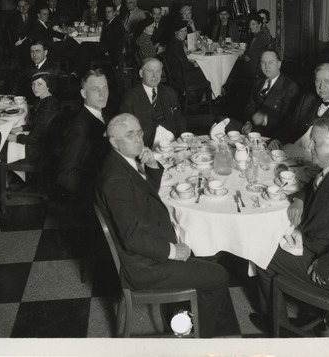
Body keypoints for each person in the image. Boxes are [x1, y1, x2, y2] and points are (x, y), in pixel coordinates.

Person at [96, 113, 233, 338]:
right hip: (146, 267)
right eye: (130, 135)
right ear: (114, 141)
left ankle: (183, 311)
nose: (139, 139)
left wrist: (151, 165)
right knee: (219, 276)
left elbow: (145, 194)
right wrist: (172, 251)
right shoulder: (115, 180)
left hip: (151, 244)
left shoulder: (122, 162)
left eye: (139, 132)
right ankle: (200, 340)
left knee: (207, 249)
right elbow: (132, 238)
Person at [252, 117, 329, 333]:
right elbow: (315, 185)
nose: (309, 146)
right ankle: (307, 313)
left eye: (315, 142)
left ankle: (278, 326)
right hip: (320, 243)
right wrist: (299, 198)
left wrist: (322, 266)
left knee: (260, 252)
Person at [56, 70, 111, 203]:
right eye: (95, 89)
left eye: (105, 88)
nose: (102, 94)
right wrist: (97, 199)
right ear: (83, 93)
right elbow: (65, 175)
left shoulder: (102, 115)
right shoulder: (80, 127)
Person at [120, 57, 186, 147]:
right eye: (150, 71)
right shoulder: (130, 97)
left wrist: (182, 137)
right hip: (146, 146)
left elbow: (179, 119)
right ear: (141, 73)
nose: (155, 75)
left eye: (158, 71)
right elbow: (126, 130)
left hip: (172, 143)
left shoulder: (169, 92)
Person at [240, 50, 299, 139]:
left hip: (272, 135)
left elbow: (287, 119)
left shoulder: (290, 87)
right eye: (263, 62)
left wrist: (264, 119)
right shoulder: (258, 82)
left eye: (270, 62)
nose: (266, 66)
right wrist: (249, 122)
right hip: (252, 130)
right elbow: (250, 106)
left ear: (279, 64)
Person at [12, 70, 61, 172]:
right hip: (45, 144)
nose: (35, 88)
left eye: (39, 84)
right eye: (33, 84)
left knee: (1, 146)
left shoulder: (48, 106)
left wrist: (15, 138)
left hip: (40, 151)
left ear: (48, 85)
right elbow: (38, 124)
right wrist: (21, 128)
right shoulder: (46, 100)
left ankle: (9, 179)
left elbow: (35, 138)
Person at [165, 19, 209, 95]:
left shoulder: (173, 41)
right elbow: (185, 65)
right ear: (176, 32)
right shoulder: (177, 45)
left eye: (185, 31)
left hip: (176, 75)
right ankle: (204, 98)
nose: (184, 33)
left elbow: (181, 61)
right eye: (181, 31)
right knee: (208, 72)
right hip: (182, 78)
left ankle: (199, 97)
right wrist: (195, 64)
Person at [4, 0, 33, 66]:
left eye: (25, 5)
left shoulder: (34, 17)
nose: (23, 7)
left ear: (28, 6)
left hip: (34, 43)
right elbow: (14, 35)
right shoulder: (13, 20)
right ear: (18, 8)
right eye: (20, 6)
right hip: (21, 46)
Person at [242, 12, 271, 78]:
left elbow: (247, 59)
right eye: (249, 24)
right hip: (259, 68)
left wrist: (242, 52)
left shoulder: (258, 38)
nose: (250, 27)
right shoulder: (263, 35)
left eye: (253, 24)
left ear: (260, 24)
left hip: (252, 70)